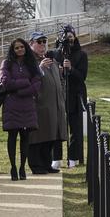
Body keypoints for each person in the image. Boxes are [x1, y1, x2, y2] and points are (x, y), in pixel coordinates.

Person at [0, 38, 41, 181]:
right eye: (16, 48)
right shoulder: (7, 63)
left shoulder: (32, 63)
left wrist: (21, 91)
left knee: (25, 138)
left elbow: (37, 84)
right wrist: (24, 82)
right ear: (13, 50)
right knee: (12, 137)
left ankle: (23, 167)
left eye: (21, 47)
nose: (19, 50)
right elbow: (6, 82)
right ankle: (13, 167)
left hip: (27, 104)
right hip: (12, 105)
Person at [50, 26, 88, 168]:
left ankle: (73, 157)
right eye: (66, 36)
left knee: (75, 129)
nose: (69, 38)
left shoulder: (81, 55)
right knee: (57, 127)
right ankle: (56, 157)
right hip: (58, 95)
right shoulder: (54, 54)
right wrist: (58, 70)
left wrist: (71, 69)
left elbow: (82, 77)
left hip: (75, 95)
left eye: (71, 36)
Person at [29, 32, 67, 174]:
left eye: (44, 41)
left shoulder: (51, 60)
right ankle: (36, 165)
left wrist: (61, 95)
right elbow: (27, 78)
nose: (42, 44)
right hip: (38, 105)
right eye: (39, 42)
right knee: (37, 137)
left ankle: (46, 164)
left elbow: (61, 81)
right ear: (31, 44)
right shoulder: (29, 61)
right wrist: (39, 67)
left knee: (51, 136)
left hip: (55, 105)